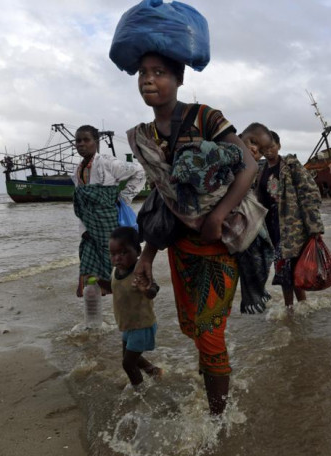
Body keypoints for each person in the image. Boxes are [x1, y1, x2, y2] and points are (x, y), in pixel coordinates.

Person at [125, 52, 259, 416]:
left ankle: (217, 423)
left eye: (159, 73)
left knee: (210, 333)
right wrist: (147, 257)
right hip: (181, 249)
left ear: (179, 79)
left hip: (221, 243)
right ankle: (212, 392)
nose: (148, 80)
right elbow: (163, 201)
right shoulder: (146, 135)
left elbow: (248, 164)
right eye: (142, 73)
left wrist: (218, 213)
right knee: (196, 330)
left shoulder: (205, 116)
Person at [72, 125, 146, 296]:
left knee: (114, 261)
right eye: (78, 141)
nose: (81, 144)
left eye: (86, 140)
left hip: (107, 222)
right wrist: (83, 230)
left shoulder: (107, 162)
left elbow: (139, 171)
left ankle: (124, 296)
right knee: (88, 267)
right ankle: (98, 304)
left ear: (96, 142)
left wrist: (125, 197)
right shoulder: (77, 170)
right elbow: (82, 205)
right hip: (90, 227)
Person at [256, 130, 324, 308]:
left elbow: (310, 193)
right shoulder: (260, 169)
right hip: (271, 226)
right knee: (285, 269)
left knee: (290, 268)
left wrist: (314, 227)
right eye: (264, 148)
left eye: (272, 146)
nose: (268, 150)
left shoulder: (291, 166)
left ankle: (295, 309)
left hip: (292, 227)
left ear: (279, 146)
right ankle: (296, 309)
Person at [109, 226, 162, 390]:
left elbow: (154, 288)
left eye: (123, 253)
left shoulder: (139, 273)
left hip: (142, 325)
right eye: (113, 254)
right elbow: (116, 288)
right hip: (128, 325)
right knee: (129, 357)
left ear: (138, 251)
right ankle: (153, 371)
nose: (118, 258)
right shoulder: (116, 271)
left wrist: (148, 290)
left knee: (128, 363)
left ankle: (140, 392)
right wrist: (99, 283)